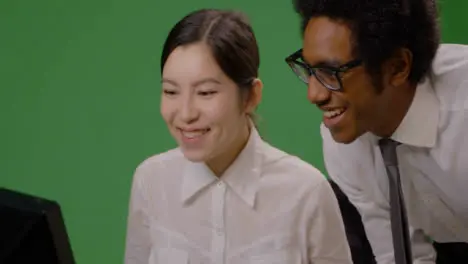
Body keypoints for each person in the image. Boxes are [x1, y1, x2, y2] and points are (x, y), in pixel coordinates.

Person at [124, 8, 352, 264]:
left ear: (250, 96)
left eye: (206, 92)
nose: (185, 113)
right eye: (171, 91)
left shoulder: (306, 192)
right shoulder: (151, 182)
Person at [285, 0, 468, 263]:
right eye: (311, 70)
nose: (313, 94)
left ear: (397, 67)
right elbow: (399, 255)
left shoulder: (462, 116)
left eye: (330, 72)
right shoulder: (344, 141)